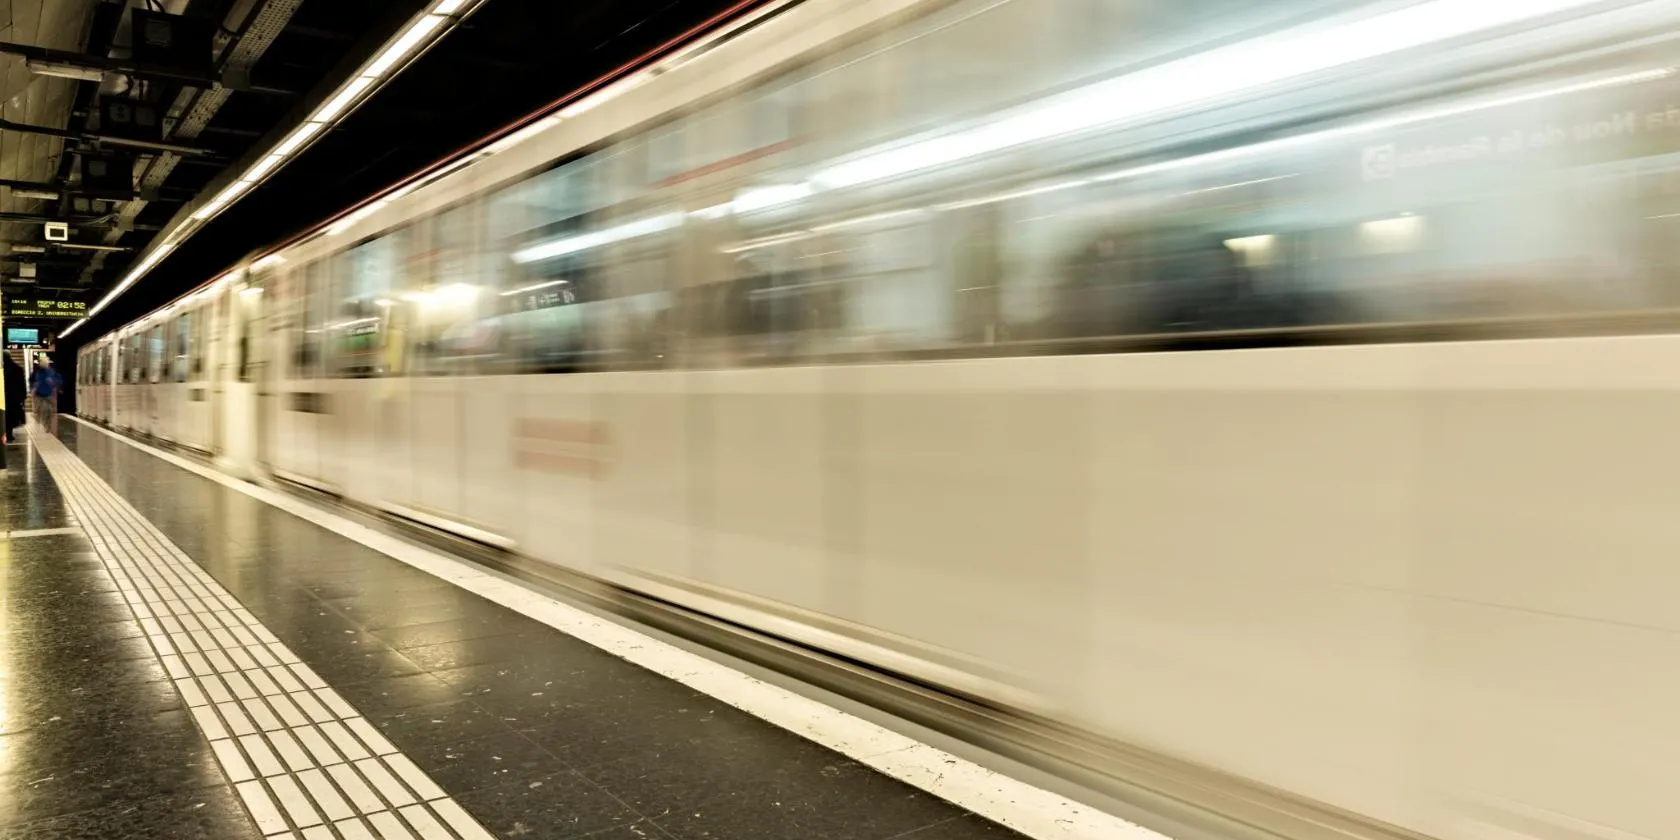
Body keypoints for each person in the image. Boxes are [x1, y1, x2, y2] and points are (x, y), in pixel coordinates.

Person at [31, 356, 61, 433]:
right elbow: (32, 380)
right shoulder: (37, 372)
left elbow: (58, 380)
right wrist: (34, 387)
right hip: (40, 395)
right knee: (44, 410)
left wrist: (54, 383)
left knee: (48, 411)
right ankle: (43, 421)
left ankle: (47, 425)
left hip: (48, 394)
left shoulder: (51, 372)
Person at [3, 354, 23, 443]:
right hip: (13, 397)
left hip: (4, 396)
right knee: (11, 417)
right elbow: (21, 384)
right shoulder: (17, 369)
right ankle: (9, 435)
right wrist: (22, 397)